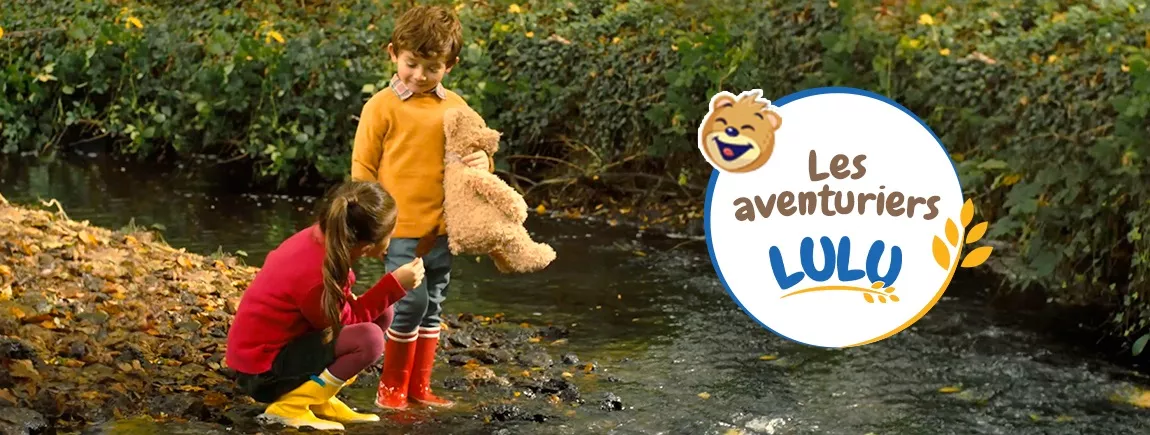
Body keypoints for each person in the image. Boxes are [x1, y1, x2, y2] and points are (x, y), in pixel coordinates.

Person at [350, 4, 493, 410]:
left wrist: (485, 160)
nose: (420, 75)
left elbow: (478, 154)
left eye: (433, 67)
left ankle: (419, 388)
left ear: (451, 65)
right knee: (409, 301)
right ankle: (390, 391)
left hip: (442, 226)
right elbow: (362, 168)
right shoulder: (381, 106)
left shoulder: (458, 108)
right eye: (412, 64)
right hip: (398, 224)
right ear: (392, 53)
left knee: (434, 302)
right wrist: (368, 225)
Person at [225, 180, 426, 431]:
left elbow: (339, 315)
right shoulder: (315, 276)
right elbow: (344, 325)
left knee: (383, 312)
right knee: (370, 339)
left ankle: (320, 398)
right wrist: (395, 286)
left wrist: (385, 293)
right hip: (261, 373)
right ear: (367, 247)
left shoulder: (325, 238)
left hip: (279, 350)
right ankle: (291, 407)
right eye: (391, 233)